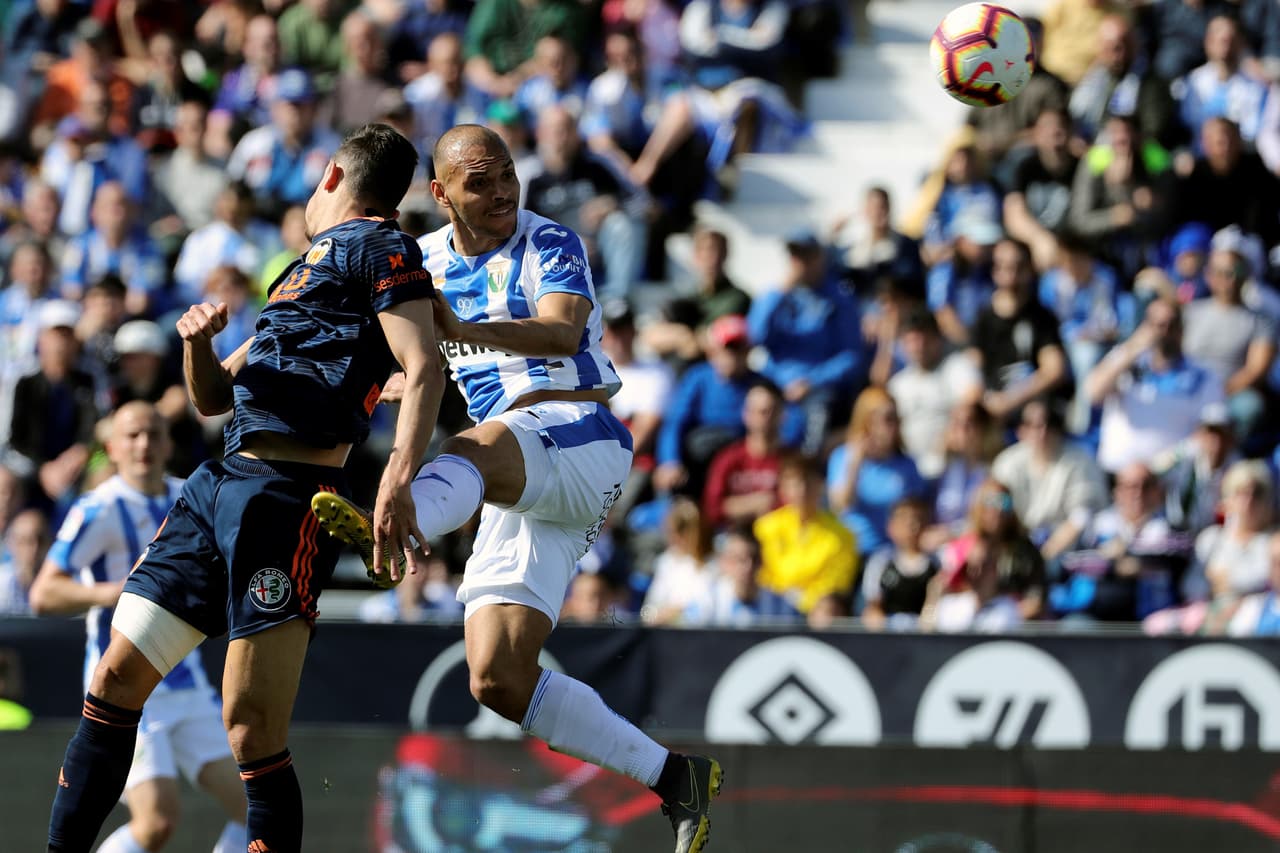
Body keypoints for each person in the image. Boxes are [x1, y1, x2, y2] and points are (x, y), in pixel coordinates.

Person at [310, 124, 720, 852]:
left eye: (506, 173)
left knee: (474, 445)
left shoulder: (548, 241)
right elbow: (402, 350)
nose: (502, 191)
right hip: (519, 478)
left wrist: (462, 328)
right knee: (496, 676)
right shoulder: (420, 261)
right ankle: (675, 777)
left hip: (579, 433)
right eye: (480, 182)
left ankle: (394, 530)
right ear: (440, 195)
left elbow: (561, 334)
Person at [43, 123, 443, 853]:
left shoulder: (379, 245)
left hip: (287, 499)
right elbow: (211, 397)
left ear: (332, 176)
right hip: (217, 484)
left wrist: (398, 474)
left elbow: (425, 365)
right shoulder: (297, 274)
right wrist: (197, 344)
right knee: (114, 679)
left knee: (250, 729)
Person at [30, 402, 248, 853]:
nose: (144, 444)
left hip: (188, 685)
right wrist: (122, 592)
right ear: (111, 448)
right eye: (132, 435)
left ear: (169, 444)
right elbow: (44, 593)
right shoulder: (100, 506)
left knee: (255, 811)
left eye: (153, 433)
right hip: (129, 688)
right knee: (156, 822)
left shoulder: (191, 495)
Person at [1087, 297, 1225, 473]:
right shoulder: (1123, 361)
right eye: (1157, 324)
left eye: (1171, 325)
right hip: (1116, 473)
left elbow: (1213, 432)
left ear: (1181, 329)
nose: (1164, 332)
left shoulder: (1202, 376)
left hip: (1169, 477)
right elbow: (1093, 393)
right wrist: (1135, 347)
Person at [755, 452, 858, 614]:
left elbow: (836, 583)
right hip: (771, 605)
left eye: (809, 483)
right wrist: (785, 595)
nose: (802, 491)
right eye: (795, 484)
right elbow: (762, 574)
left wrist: (804, 599)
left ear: (821, 485)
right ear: (782, 487)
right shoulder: (765, 527)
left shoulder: (843, 534)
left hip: (814, 610)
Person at [860, 497, 940, 631]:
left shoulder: (938, 562)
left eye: (918, 519)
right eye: (904, 520)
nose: (913, 526)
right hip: (889, 633)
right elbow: (873, 607)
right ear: (891, 526)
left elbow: (935, 608)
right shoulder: (880, 561)